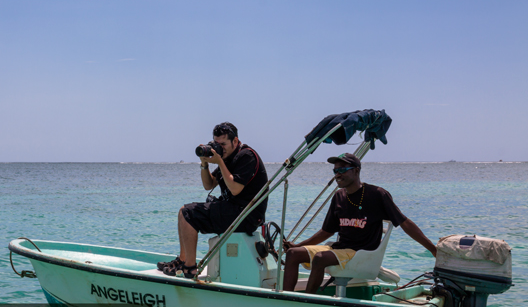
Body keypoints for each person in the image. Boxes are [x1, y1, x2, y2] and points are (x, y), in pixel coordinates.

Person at [282, 153, 436, 293]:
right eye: (335, 171)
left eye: (342, 170)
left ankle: (308, 301)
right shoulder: (339, 196)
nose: (338, 174)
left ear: (356, 171)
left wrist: (432, 249)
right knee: (293, 254)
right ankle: (286, 300)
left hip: (361, 253)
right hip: (340, 249)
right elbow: (326, 232)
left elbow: (404, 223)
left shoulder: (377, 194)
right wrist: (298, 245)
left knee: (320, 258)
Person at [158, 122, 268, 278]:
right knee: (184, 211)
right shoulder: (228, 157)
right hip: (235, 210)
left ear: (235, 141)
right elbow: (208, 184)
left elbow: (236, 189)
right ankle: (183, 260)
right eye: (217, 144)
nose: (220, 148)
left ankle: (189, 268)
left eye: (223, 144)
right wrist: (204, 164)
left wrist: (220, 162)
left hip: (246, 215)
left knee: (187, 213)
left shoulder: (246, 156)